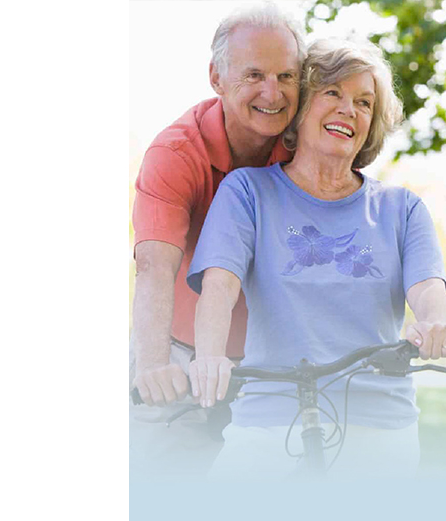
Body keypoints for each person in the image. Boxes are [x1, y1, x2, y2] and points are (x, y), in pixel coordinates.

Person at [185, 37, 446, 480]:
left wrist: (435, 325)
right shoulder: (247, 192)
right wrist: (209, 356)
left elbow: (428, 289)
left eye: (364, 103)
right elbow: (220, 286)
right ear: (300, 110)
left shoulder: (401, 209)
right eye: (332, 93)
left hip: (379, 420)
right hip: (270, 415)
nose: (348, 110)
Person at [129, 2, 305, 485]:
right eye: (254, 75)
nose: (273, 93)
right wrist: (152, 365)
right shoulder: (175, 154)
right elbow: (153, 268)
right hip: (178, 356)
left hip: (270, 366)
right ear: (216, 78)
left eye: (287, 76)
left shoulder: (303, 144)